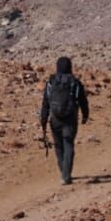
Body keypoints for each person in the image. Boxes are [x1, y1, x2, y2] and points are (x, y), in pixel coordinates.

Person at [39, 56, 90, 185]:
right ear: (70, 67)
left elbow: (45, 102)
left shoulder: (51, 82)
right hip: (70, 119)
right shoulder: (75, 82)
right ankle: (66, 175)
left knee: (58, 146)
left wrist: (43, 120)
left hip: (54, 119)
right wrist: (85, 115)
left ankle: (64, 172)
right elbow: (83, 101)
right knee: (68, 145)